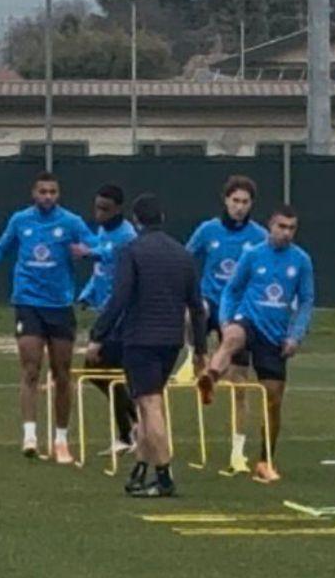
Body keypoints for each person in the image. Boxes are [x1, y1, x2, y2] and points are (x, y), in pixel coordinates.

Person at [89, 194, 207, 497]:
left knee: (150, 405)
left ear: (137, 221)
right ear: (162, 218)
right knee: (145, 404)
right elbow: (196, 307)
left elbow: (120, 298)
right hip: (171, 341)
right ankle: (140, 468)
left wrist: (98, 335)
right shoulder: (183, 255)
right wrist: (201, 351)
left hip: (140, 339)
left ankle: (164, 475)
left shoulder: (133, 251)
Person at [0, 172, 97, 464]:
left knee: (62, 373)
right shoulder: (20, 220)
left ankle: (61, 439)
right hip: (28, 302)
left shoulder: (70, 222)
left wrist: (88, 252)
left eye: (53, 192)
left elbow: (97, 247)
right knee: (31, 368)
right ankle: (30, 435)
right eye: (43, 191)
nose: (47, 197)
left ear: (59, 194)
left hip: (59, 304)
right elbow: (2, 245)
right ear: (34, 193)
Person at [197, 205, 315, 484]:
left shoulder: (301, 261)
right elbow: (232, 290)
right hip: (248, 320)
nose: (286, 233)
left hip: (276, 336)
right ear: (270, 226)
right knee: (234, 337)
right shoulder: (252, 255)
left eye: (291, 228)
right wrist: (226, 320)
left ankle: (265, 461)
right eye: (281, 227)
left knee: (273, 400)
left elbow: (307, 300)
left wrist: (296, 335)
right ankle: (211, 376)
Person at [186, 175, 269, 473]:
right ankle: (192, 359)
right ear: (226, 201)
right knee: (191, 313)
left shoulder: (259, 236)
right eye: (235, 201)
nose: (239, 207)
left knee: (240, 384)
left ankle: (238, 451)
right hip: (209, 302)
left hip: (237, 313)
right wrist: (188, 292)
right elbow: (186, 259)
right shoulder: (208, 230)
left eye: (245, 202)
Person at [77, 184, 139, 453]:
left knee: (98, 369)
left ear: (118, 209)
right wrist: (87, 294)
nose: (99, 213)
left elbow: (109, 254)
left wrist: (88, 252)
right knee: (101, 373)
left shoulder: (127, 235)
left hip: (121, 315)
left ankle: (135, 426)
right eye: (97, 207)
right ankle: (129, 432)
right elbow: (100, 270)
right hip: (104, 312)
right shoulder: (103, 231)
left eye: (105, 209)